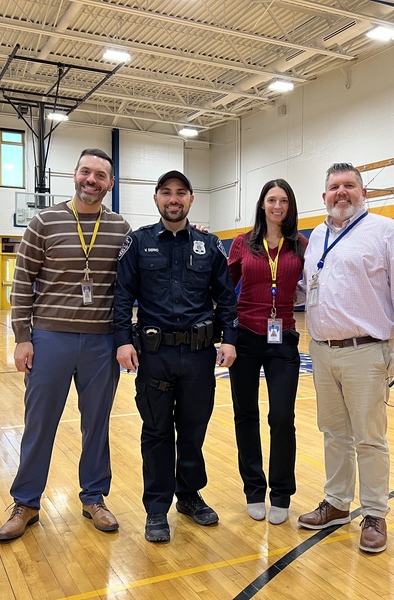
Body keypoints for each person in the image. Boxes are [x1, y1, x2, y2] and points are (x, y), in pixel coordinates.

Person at [0, 148, 131, 541]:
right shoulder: (43, 222)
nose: (92, 180)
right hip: (50, 338)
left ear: (110, 183)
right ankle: (26, 502)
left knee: (97, 424)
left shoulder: (121, 229)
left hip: (101, 341)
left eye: (101, 175)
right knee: (39, 423)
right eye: (86, 172)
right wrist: (23, 337)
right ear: (75, 175)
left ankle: (94, 497)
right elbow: (22, 283)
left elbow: (133, 280)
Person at [298, 162, 394, 554]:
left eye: (349, 185)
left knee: (369, 438)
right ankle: (337, 502)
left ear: (363, 193)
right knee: (333, 434)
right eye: (334, 186)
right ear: (324, 197)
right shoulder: (316, 235)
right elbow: (309, 288)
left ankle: (374, 513)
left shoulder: (386, 231)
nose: (341, 192)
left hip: (366, 352)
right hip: (321, 351)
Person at [114, 170, 239, 543]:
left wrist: (229, 339)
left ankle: (188, 496)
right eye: (166, 192)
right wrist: (122, 341)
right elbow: (121, 296)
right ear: (156, 199)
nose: (174, 199)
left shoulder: (209, 244)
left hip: (199, 356)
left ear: (190, 199)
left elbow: (227, 297)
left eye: (181, 193)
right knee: (155, 431)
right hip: (154, 355)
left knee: (192, 430)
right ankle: (156, 508)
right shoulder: (136, 243)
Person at [227, 179, 308, 525]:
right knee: (246, 415)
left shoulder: (301, 244)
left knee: (281, 417)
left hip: (283, 338)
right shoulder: (242, 243)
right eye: (271, 200)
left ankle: (281, 493)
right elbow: (221, 288)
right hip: (245, 337)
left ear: (290, 207)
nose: (277, 206)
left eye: (284, 201)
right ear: (262, 204)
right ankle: (253, 489)